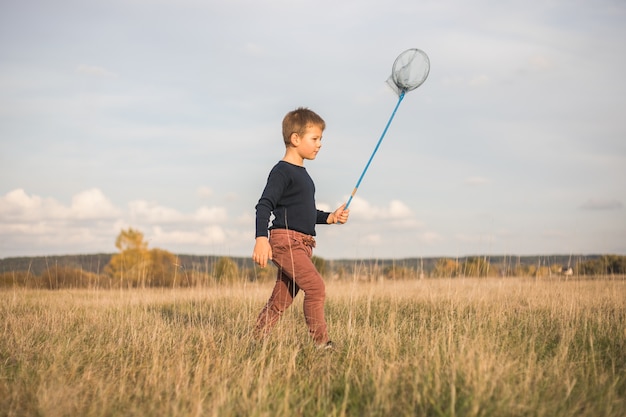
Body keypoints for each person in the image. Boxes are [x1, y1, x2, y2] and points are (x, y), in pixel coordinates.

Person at [252, 107, 349, 348]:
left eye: (320, 139)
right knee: (316, 288)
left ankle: (255, 340)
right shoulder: (282, 171)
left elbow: (305, 214)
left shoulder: (303, 175)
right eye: (314, 139)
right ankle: (322, 344)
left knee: (281, 299)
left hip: (302, 244)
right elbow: (264, 205)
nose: (319, 144)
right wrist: (261, 239)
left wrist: (331, 217)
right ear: (295, 139)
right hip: (286, 242)